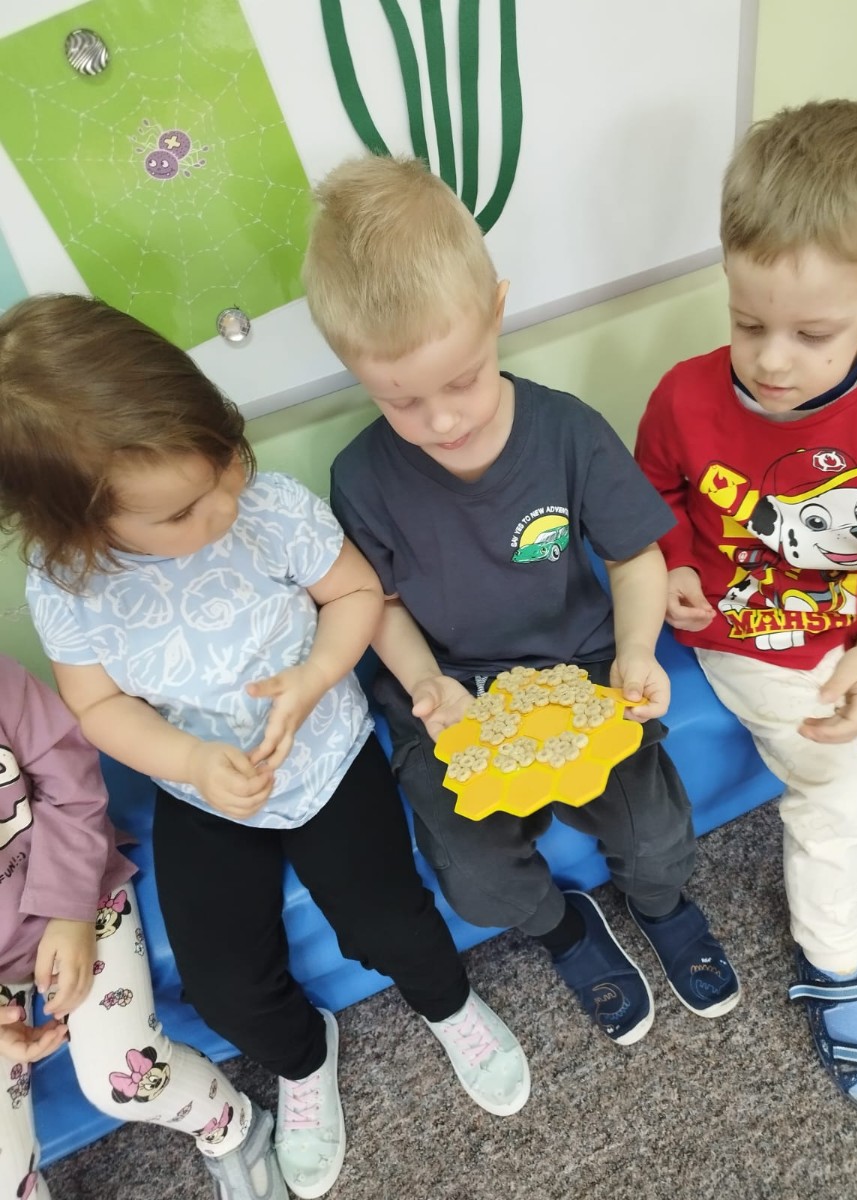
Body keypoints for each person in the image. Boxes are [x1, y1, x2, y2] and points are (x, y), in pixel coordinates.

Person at [0, 295, 530, 1200]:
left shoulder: (269, 509)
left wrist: (316, 674)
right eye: (182, 511)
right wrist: (190, 762)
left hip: (325, 757)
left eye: (226, 463)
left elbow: (355, 595)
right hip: (198, 788)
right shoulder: (67, 584)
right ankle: (303, 1055)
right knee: (223, 982)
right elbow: (96, 705)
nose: (222, 506)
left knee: (389, 919)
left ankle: (448, 1003)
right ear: (83, 529)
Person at [302, 154, 740, 1050]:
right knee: (477, 880)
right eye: (400, 400)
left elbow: (634, 555)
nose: (442, 421)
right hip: (452, 690)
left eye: (461, 380)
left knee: (658, 836)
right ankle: (565, 929)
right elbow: (377, 601)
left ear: (496, 311)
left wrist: (636, 650)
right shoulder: (362, 476)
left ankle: (661, 905)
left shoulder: (566, 430)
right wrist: (424, 683)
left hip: (581, 665)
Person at [634, 98, 857, 1110]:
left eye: (810, 333)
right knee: (833, 793)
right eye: (747, 322)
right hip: (757, 638)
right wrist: (673, 561)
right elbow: (651, 490)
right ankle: (833, 969)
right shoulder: (685, 396)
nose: (771, 359)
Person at [0, 652, 289, 1200]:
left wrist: (70, 909)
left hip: (77, 892)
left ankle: (232, 1127)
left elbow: (70, 776)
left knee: (124, 1079)